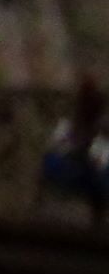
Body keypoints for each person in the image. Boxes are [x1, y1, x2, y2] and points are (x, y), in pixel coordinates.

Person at [40, 76, 107, 225]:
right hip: (70, 171)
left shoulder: (101, 136)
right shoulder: (67, 129)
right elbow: (53, 155)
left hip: (91, 176)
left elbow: (101, 162)